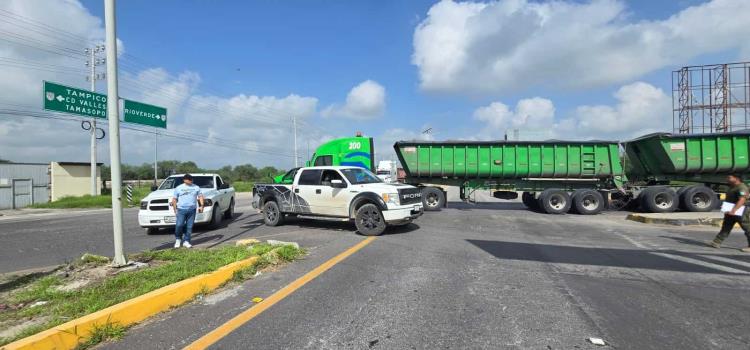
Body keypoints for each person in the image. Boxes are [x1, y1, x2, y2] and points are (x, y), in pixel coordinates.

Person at [708, 173, 750, 252]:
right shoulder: (733, 187)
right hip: (730, 210)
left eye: (729, 177)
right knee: (726, 226)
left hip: (740, 211)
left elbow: (742, 200)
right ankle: (716, 242)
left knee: (747, 227)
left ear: (736, 178)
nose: (727, 179)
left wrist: (734, 210)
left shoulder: (742, 187)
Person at [171, 174, 204, 248]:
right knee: (179, 225)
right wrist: (175, 209)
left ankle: (187, 241)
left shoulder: (196, 187)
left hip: (192, 210)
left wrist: (201, 206)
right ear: (184, 180)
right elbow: (174, 199)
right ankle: (178, 239)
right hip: (181, 209)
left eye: (191, 179)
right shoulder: (179, 188)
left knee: (189, 227)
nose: (191, 180)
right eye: (189, 179)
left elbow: (200, 196)